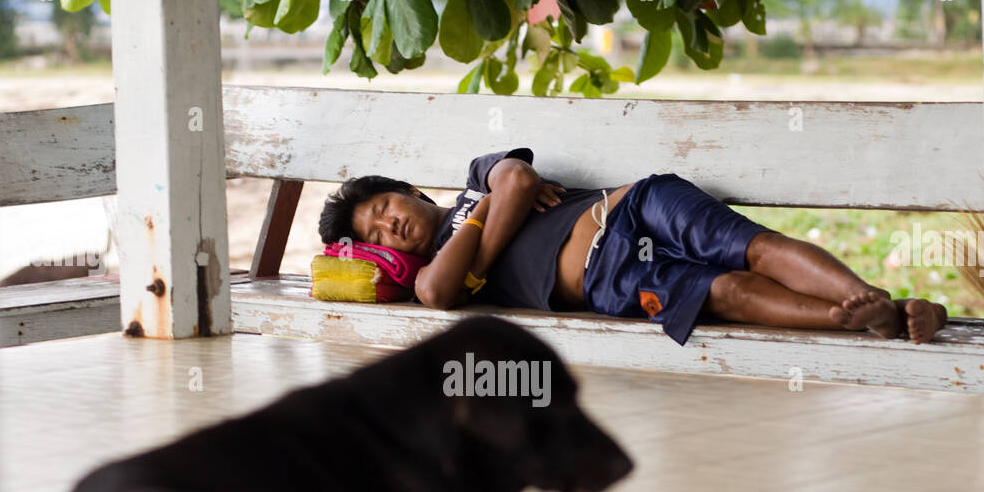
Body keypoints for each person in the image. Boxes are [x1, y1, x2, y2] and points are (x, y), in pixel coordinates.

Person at [317, 147, 949, 345]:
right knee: (725, 293)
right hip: (612, 282)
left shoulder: (475, 180)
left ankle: (866, 296)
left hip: (633, 205)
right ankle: (872, 319)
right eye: (374, 234)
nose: (388, 226)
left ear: (402, 189)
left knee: (751, 248)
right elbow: (434, 295)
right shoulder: (435, 268)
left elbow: (518, 179)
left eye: (382, 208)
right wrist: (469, 252)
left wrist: (482, 218)